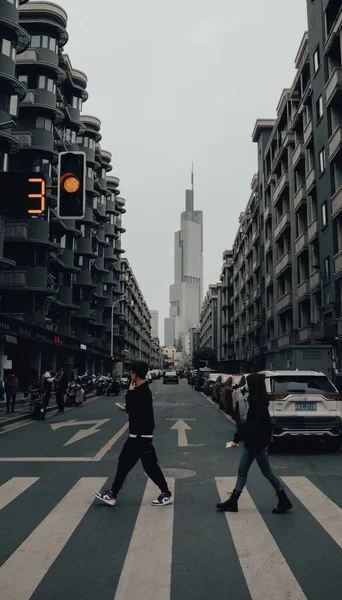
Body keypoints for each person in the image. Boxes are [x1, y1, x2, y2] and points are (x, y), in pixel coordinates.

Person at [95, 360, 173, 507]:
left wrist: (129, 395)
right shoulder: (141, 389)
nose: (129, 374)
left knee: (146, 466)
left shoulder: (142, 390)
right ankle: (112, 494)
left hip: (140, 436)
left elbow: (136, 411)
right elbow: (137, 410)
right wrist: (129, 404)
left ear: (134, 373)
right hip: (138, 435)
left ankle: (166, 493)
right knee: (128, 465)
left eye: (131, 372)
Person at [216, 373, 293, 515]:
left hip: (257, 444)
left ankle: (284, 499)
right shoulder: (258, 400)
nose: (247, 387)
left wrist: (236, 439)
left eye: (249, 384)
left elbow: (250, 425)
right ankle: (233, 501)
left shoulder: (258, 403)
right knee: (242, 471)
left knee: (267, 472)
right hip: (253, 443)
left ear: (254, 386)